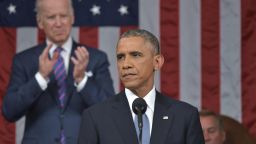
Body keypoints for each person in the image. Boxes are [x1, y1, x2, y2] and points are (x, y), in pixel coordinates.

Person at [2, 0, 115, 143]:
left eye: (64, 16)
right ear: (40, 22)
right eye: (51, 17)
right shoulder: (24, 61)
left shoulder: (95, 58)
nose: (58, 23)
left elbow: (109, 112)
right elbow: (9, 112)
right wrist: (40, 78)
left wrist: (82, 80)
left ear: (72, 18)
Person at [78, 29, 204, 144]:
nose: (126, 64)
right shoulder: (95, 117)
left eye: (135, 55)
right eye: (121, 57)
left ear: (157, 62)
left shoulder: (184, 116)